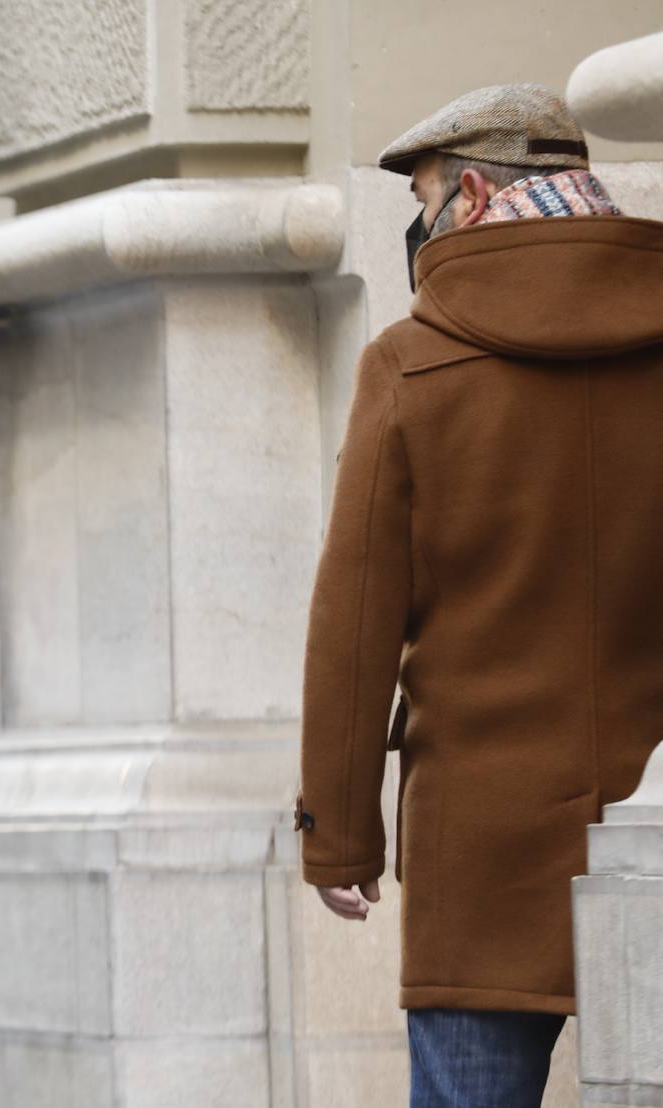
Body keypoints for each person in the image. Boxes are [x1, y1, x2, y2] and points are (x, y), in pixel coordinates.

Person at [296, 84, 663, 1107]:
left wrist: (339, 834)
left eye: (420, 199)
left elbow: (355, 618)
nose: (419, 226)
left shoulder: (413, 364)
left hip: (483, 841)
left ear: (466, 192)